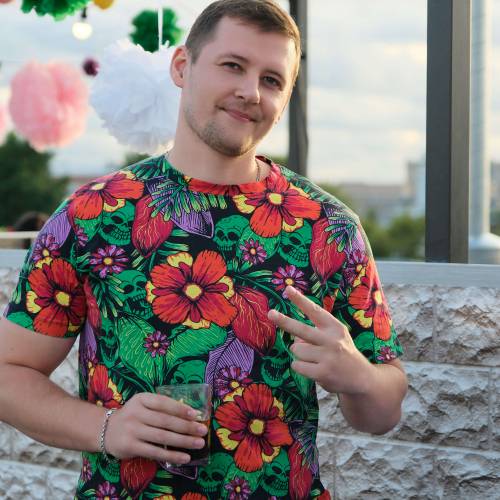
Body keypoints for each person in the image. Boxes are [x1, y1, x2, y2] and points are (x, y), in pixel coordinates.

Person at [0, 1, 407, 498]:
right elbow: (9, 373)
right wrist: (106, 428)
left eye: (272, 80)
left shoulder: (329, 227)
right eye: (232, 65)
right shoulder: (93, 214)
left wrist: (357, 376)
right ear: (182, 66)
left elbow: (382, 412)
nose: (250, 91)